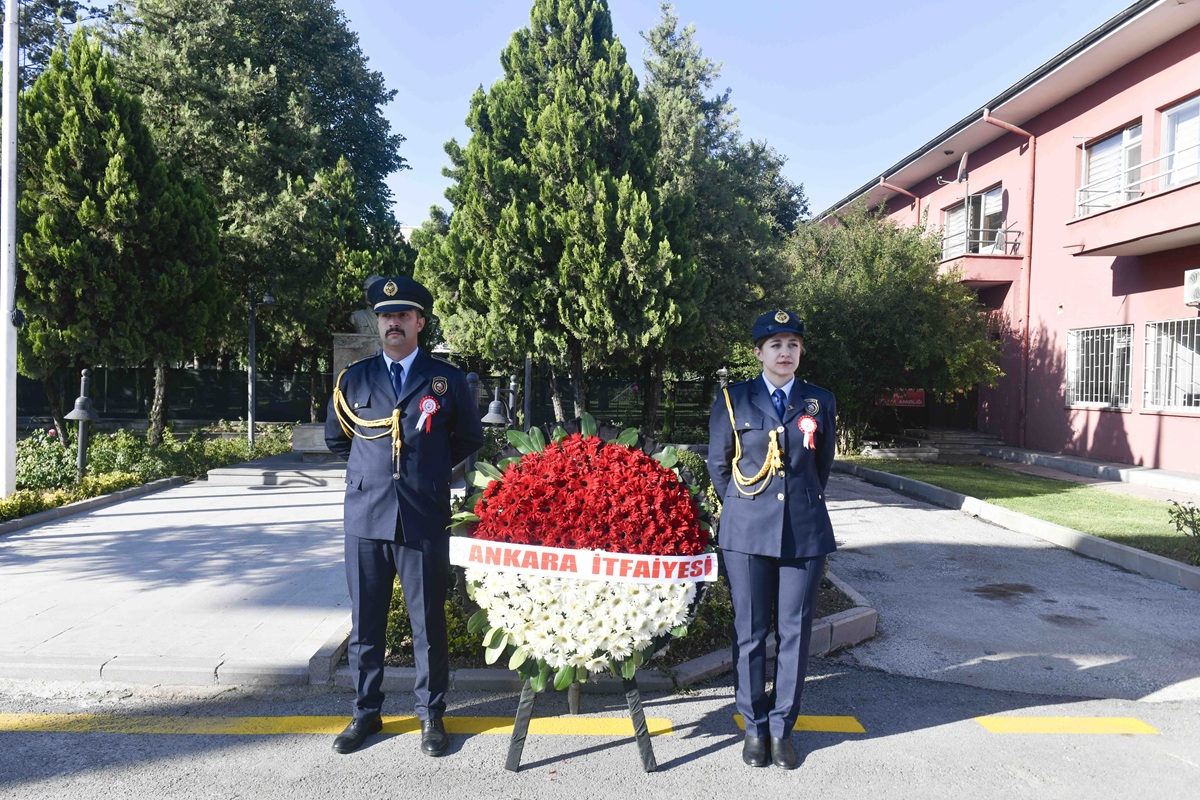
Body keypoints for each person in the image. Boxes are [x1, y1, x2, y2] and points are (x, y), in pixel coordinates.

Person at [325, 275, 484, 756]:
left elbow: (468, 437)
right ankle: (365, 713)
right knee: (366, 624)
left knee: (427, 624)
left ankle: (431, 716)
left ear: (420, 321)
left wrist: (430, 469)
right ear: (379, 322)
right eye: (385, 316)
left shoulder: (446, 379)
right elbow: (338, 439)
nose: (393, 322)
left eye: (402, 315)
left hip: (422, 515)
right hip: (366, 517)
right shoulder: (354, 378)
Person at [707, 310, 837, 770]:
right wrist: (746, 509)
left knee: (795, 634)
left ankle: (782, 728)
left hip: (804, 531)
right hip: (746, 531)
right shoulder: (733, 399)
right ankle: (754, 728)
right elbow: (720, 465)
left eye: (793, 345)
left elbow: (821, 467)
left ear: (801, 352)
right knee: (750, 633)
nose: (786, 353)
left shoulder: (819, 401)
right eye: (776, 345)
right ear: (759, 352)